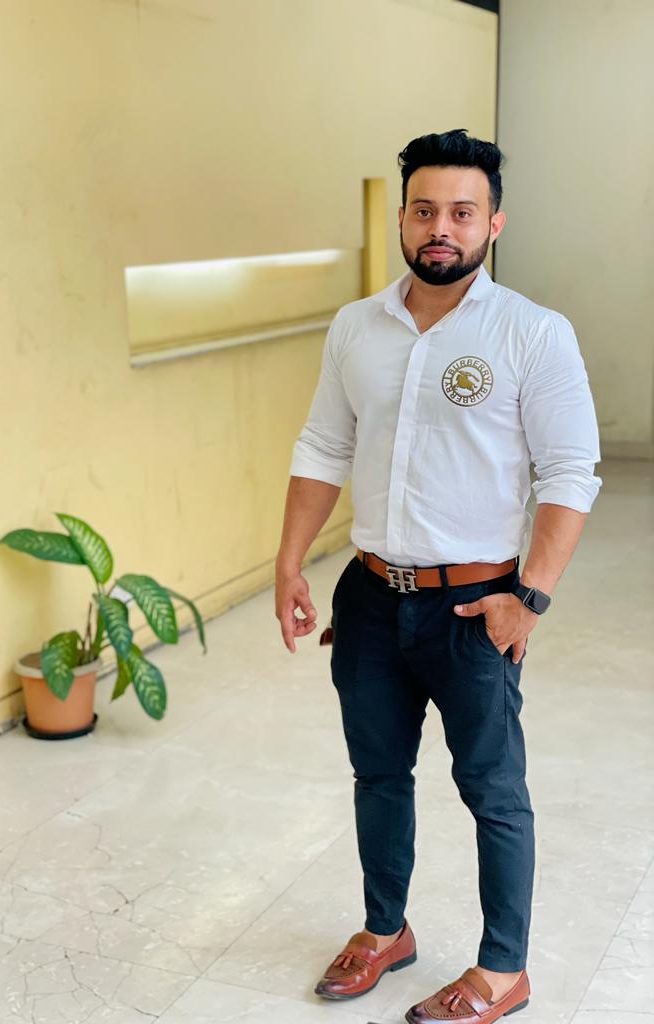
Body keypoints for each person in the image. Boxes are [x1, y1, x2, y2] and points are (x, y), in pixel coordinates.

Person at [274, 129, 601, 1024]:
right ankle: (386, 929)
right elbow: (323, 445)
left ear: (494, 222)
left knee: (493, 791)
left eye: (462, 211)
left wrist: (528, 597)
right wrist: (290, 560)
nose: (441, 228)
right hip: (370, 597)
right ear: (402, 218)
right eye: (425, 211)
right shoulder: (357, 327)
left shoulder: (532, 332)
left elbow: (570, 472)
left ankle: (503, 970)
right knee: (377, 774)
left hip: (476, 606)